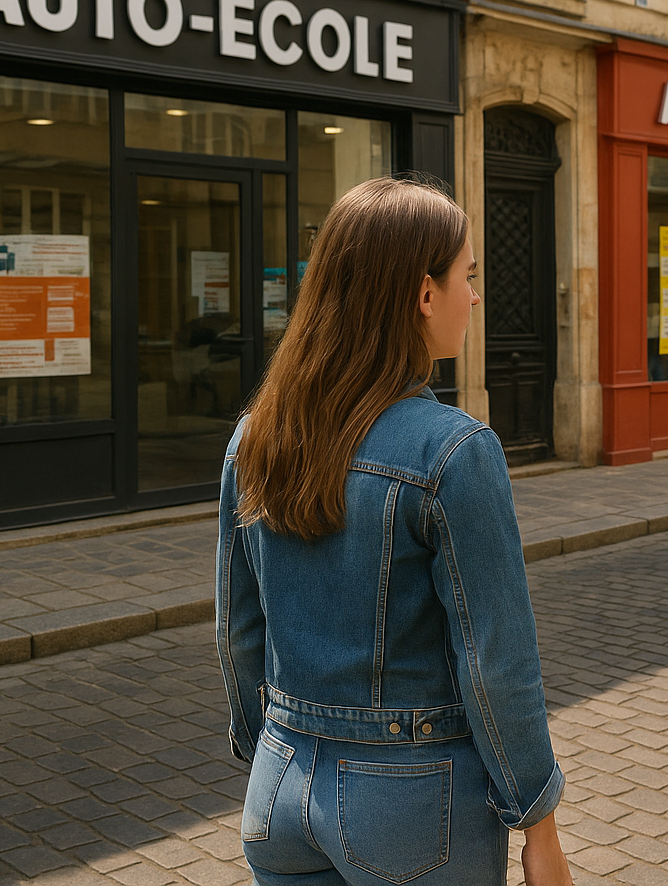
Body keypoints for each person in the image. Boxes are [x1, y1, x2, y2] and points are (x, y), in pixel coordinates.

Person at [217, 177, 573, 886]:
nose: (475, 297)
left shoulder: (255, 436)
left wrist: (269, 745)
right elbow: (494, 661)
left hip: (278, 784)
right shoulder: (453, 450)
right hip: (410, 799)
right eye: (467, 277)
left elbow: (236, 630)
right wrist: (538, 821)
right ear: (422, 293)